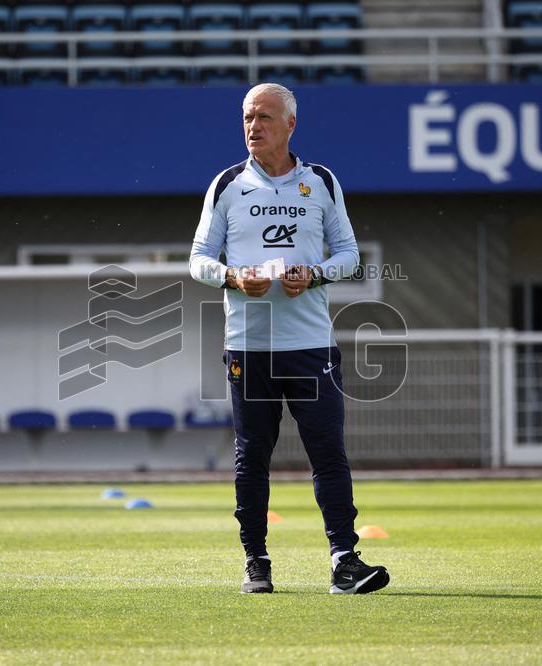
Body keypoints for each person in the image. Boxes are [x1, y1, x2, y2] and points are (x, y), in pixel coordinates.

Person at [188, 83, 389, 595]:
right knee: (251, 455)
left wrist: (315, 274)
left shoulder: (320, 181)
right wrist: (234, 277)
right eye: (247, 117)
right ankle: (256, 562)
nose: (254, 127)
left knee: (328, 453)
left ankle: (345, 562)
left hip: (310, 346)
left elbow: (349, 253)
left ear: (291, 124)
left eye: (265, 117)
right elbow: (198, 260)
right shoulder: (227, 184)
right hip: (250, 347)